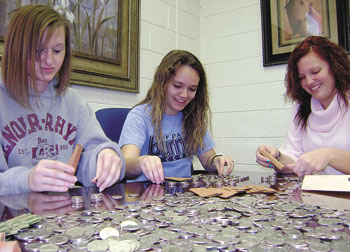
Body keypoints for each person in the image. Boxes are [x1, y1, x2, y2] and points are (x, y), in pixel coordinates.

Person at [0, 4, 125, 195]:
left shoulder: (74, 103)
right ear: (17, 49)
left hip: (61, 216)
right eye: (38, 50)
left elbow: (91, 158)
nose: (49, 60)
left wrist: (108, 157)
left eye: (57, 51)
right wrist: (27, 179)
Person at [119, 50, 234, 184]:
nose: (184, 95)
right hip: (146, 194)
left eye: (192, 89)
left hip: (184, 195)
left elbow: (208, 160)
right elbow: (125, 165)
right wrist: (141, 162)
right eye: (177, 86)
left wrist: (216, 160)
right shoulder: (140, 116)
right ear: (162, 83)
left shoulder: (193, 117)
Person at [256, 36, 350, 176]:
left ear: (335, 66)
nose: (309, 81)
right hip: (317, 193)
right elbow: (294, 159)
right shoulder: (302, 108)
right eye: (301, 77)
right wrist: (277, 157)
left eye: (315, 71)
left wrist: (329, 155)